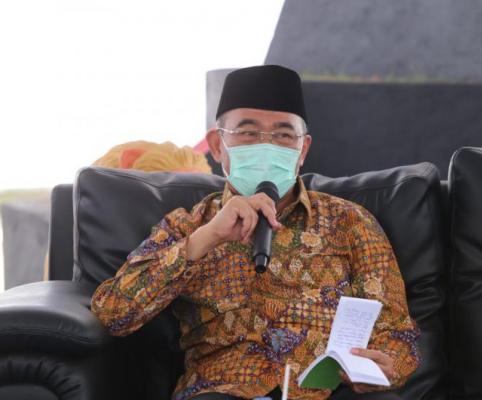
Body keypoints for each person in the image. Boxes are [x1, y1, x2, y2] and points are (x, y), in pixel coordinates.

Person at [91, 65, 421, 400]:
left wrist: (387, 366)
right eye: (248, 133)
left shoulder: (350, 222)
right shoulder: (188, 226)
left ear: (303, 150)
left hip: (327, 392)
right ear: (217, 145)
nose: (267, 146)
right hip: (222, 390)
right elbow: (113, 314)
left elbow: (398, 333)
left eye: (283, 135)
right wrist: (207, 238)